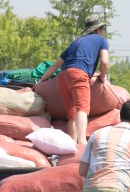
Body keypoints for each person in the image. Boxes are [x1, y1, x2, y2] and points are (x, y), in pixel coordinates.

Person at [38, 17, 110, 146]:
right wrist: (103, 76)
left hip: (63, 78)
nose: (103, 31)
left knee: (72, 113)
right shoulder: (101, 40)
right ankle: (82, 142)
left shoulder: (76, 42)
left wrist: (40, 81)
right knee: (82, 109)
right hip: (78, 75)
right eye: (103, 28)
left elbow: (55, 66)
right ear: (98, 29)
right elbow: (104, 62)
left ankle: (72, 143)